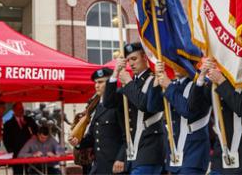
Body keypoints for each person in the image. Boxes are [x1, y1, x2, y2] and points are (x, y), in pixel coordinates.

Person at [188, 58, 242, 174]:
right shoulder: (215, 78)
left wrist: (221, 81)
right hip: (222, 152)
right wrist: (201, 77)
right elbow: (193, 109)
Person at [103, 42, 165, 174]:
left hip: (150, 149)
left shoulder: (154, 79)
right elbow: (108, 102)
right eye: (128, 60)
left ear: (145, 57)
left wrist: (129, 82)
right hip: (133, 151)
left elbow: (144, 104)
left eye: (134, 59)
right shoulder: (130, 83)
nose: (131, 63)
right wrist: (115, 74)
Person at [149, 61, 211, 175]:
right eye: (173, 60)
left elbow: (188, 111)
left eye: (180, 61)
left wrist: (168, 86)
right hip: (174, 152)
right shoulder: (173, 84)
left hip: (194, 154)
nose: (175, 64)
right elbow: (152, 107)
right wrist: (156, 81)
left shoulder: (201, 84)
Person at [71, 67, 126, 174]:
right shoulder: (97, 106)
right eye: (96, 82)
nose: (97, 85)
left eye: (101, 82)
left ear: (111, 83)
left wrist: (121, 158)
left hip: (115, 165)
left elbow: (127, 135)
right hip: (99, 165)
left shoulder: (118, 103)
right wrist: (78, 142)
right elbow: (92, 136)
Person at [3, 102, 38, 174]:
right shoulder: (8, 124)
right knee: (18, 172)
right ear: (14, 110)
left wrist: (35, 136)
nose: (21, 111)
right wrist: (11, 151)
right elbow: (6, 139)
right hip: (16, 153)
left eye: (22, 109)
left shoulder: (29, 120)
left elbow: (37, 131)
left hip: (30, 152)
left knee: (31, 172)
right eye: (19, 109)